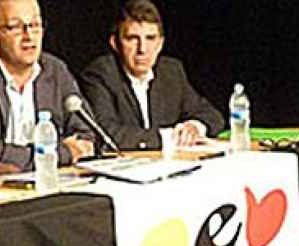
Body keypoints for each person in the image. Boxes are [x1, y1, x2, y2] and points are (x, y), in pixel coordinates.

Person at [0, 0, 95, 176]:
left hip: (53, 180)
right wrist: (63, 154)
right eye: (15, 27)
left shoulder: (55, 70)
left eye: (34, 25)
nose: (29, 36)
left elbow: (85, 135)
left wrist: (73, 150)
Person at [79, 0, 224, 150]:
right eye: (132, 39)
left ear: (160, 44)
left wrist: (195, 127)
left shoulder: (171, 71)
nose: (142, 49)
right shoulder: (100, 74)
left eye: (150, 38)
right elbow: (104, 133)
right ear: (115, 43)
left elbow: (211, 115)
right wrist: (169, 137)